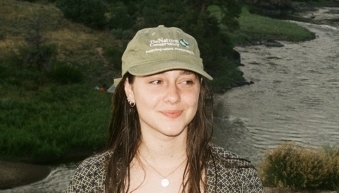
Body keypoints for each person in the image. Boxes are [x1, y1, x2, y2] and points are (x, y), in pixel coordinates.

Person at [67, 25, 264, 193]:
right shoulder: (91, 180)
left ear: (200, 89)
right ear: (129, 89)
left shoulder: (239, 179)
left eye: (186, 81)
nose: (173, 96)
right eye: (156, 81)